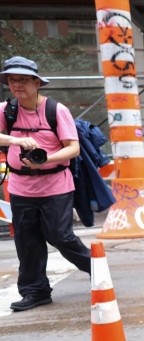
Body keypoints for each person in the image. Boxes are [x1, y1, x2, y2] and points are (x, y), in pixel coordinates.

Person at [0, 56, 91, 311]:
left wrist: (46, 159)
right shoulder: (6, 110)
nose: (17, 84)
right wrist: (15, 141)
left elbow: (73, 148)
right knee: (27, 241)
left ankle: (97, 269)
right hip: (20, 187)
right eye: (12, 79)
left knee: (60, 235)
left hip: (56, 186)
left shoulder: (55, 110)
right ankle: (35, 291)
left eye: (23, 79)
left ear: (37, 82)